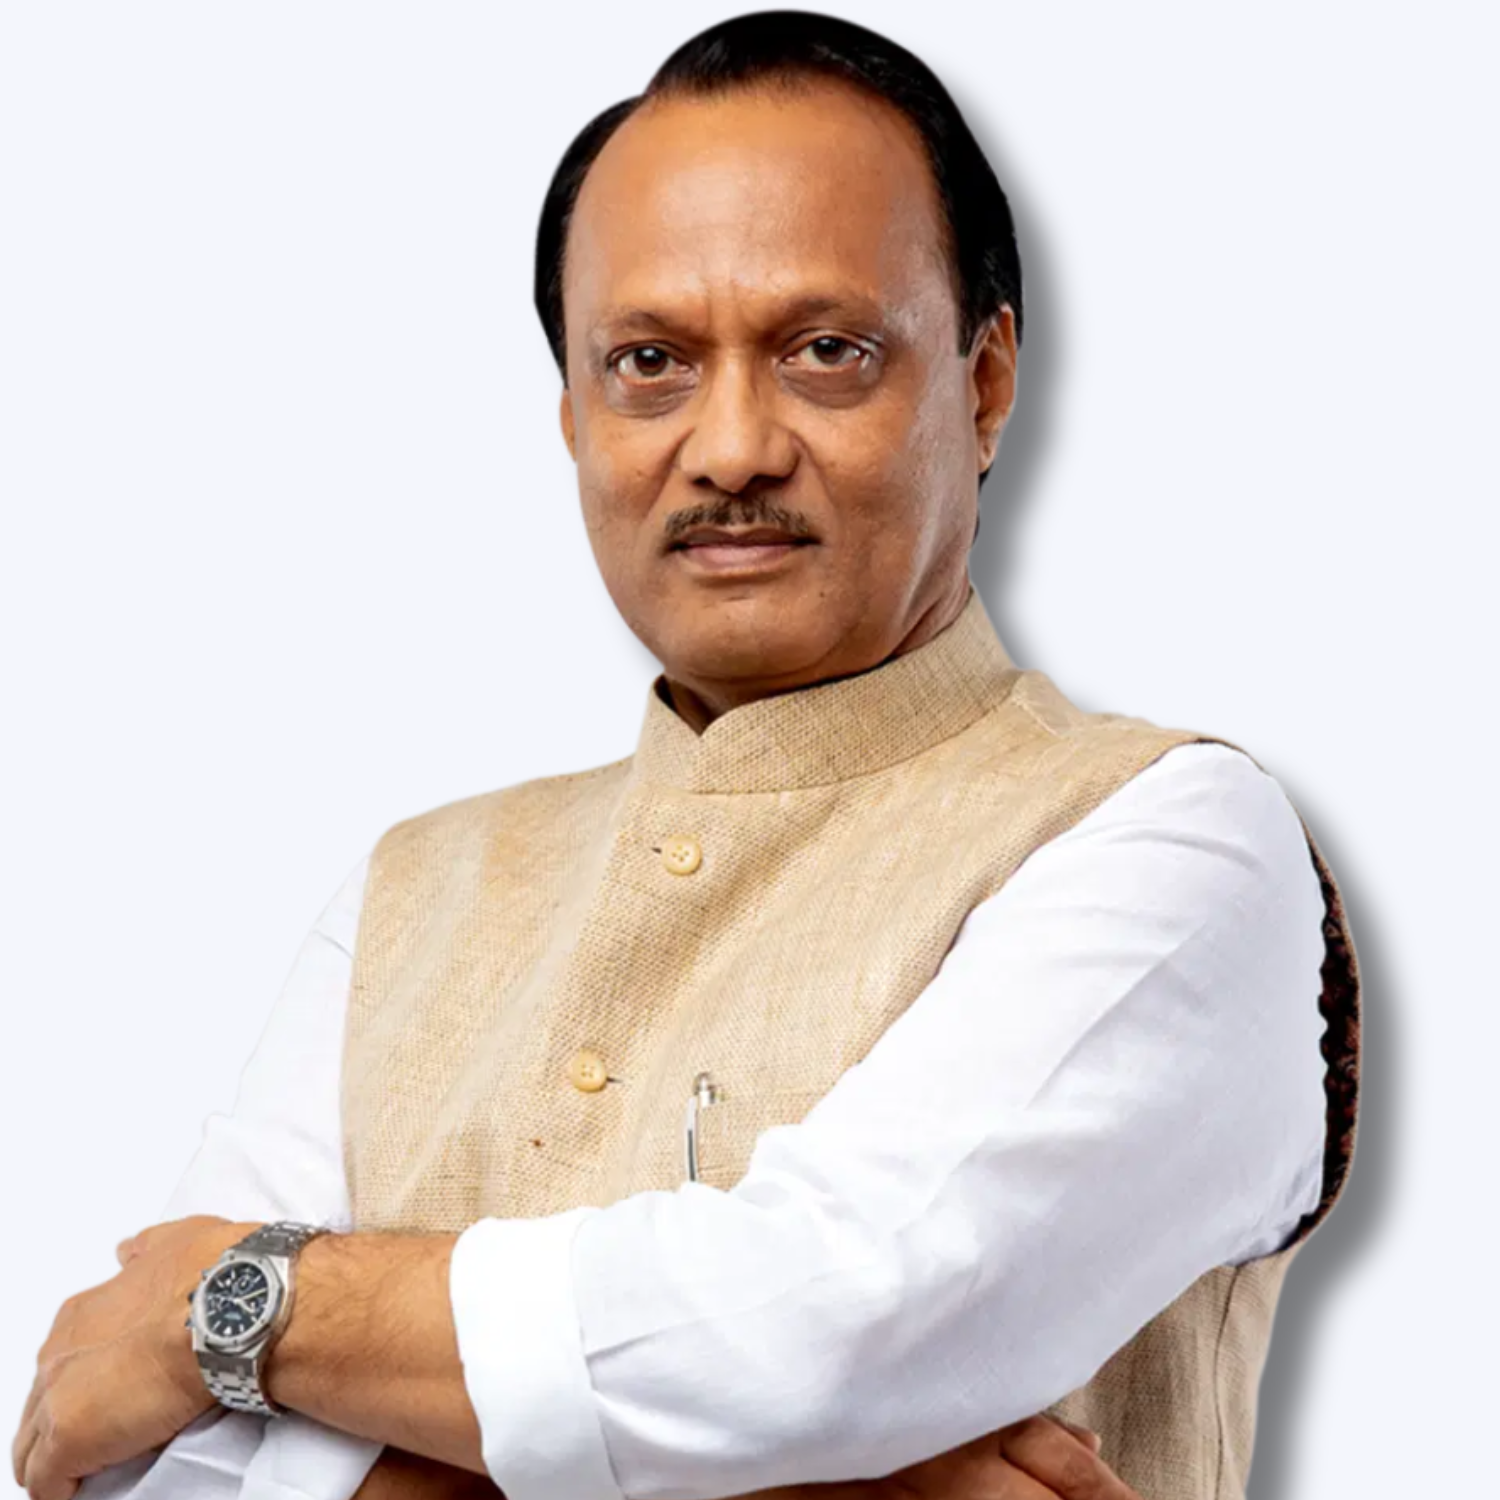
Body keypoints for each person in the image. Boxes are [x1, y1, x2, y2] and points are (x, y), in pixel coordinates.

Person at [11, 11, 1360, 1500]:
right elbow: (122, 1455)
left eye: (826, 352)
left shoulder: (1170, 841)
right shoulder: (411, 892)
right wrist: (826, 1485)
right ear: (575, 416)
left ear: (982, 385)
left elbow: (825, 1328)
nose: (729, 447)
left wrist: (231, 1318)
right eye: (649, 362)